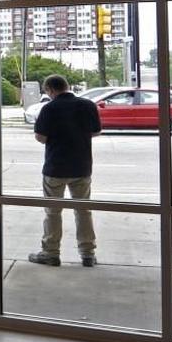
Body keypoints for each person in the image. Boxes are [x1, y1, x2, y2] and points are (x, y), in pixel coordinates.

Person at [29, 74, 101, 267]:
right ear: (67, 86)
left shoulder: (49, 108)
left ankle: (51, 253)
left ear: (50, 90)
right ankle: (88, 254)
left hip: (55, 167)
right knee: (83, 210)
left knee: (52, 212)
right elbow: (96, 131)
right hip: (82, 166)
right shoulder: (88, 105)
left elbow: (40, 137)